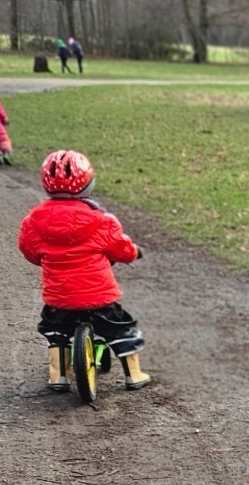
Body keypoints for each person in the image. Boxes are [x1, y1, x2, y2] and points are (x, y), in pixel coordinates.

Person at [17, 150, 152, 392]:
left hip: (60, 298)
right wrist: (135, 253)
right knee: (121, 328)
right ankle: (133, 374)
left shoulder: (33, 221)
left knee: (55, 330)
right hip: (99, 297)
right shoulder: (101, 221)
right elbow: (121, 249)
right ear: (88, 185)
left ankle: (58, 375)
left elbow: (30, 252)